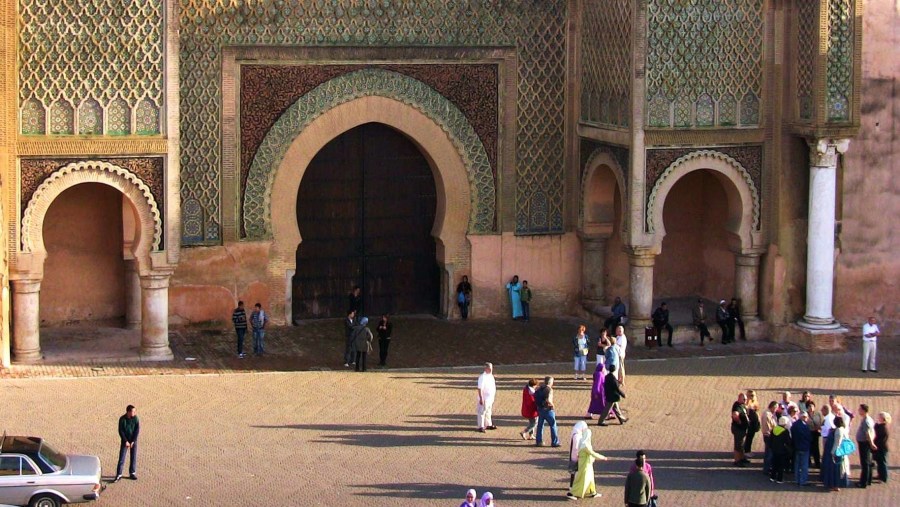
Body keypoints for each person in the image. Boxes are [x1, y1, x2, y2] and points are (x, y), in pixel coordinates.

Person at [567, 427, 606, 500]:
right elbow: (592, 453)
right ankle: (572, 493)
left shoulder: (582, 443)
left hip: (587, 464)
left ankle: (592, 492)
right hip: (585, 465)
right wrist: (603, 457)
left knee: (590, 478)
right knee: (582, 479)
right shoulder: (586, 445)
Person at [115, 404, 140, 482]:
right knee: (122, 458)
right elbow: (121, 431)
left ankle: (132, 473)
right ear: (128, 412)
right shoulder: (122, 419)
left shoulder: (136, 418)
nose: (134, 413)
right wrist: (125, 441)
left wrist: (133, 441)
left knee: (133, 457)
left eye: (135, 411)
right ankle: (119, 474)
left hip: (133, 441)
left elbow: (137, 430)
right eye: (133, 411)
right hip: (125, 441)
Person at [826, 416, 852, 491]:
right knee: (841, 468)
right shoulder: (843, 429)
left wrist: (833, 452)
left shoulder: (838, 430)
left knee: (836, 470)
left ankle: (836, 485)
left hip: (837, 453)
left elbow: (837, 443)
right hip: (842, 452)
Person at [534, 376, 560, 447]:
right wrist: (552, 405)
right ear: (550, 382)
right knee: (553, 425)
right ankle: (555, 442)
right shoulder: (549, 389)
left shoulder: (539, 388)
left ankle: (539, 441)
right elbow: (549, 400)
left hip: (540, 409)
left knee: (540, 425)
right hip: (547, 410)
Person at [856, 403, 876, 488]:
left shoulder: (866, 421)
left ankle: (863, 482)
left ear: (864, 411)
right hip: (865, 443)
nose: (858, 411)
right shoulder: (868, 419)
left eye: (860, 409)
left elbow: (868, 433)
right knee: (868, 461)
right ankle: (868, 480)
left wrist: (871, 444)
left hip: (864, 443)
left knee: (865, 463)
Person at [769, 416, 793, 483]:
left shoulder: (774, 429)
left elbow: (770, 440)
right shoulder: (785, 431)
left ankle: (772, 477)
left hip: (774, 450)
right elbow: (788, 441)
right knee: (781, 465)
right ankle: (779, 479)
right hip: (782, 451)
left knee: (774, 464)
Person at [567, 421, 588, 490]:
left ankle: (571, 486)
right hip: (576, 456)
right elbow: (576, 447)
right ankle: (574, 487)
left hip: (572, 455)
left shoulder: (574, 433)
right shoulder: (577, 436)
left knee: (573, 472)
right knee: (576, 472)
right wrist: (578, 454)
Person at [792, 411, 812, 485]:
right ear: (803, 417)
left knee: (797, 464)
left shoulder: (794, 425)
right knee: (804, 465)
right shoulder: (805, 427)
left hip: (797, 447)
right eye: (806, 417)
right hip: (804, 448)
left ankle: (797, 480)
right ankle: (802, 481)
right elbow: (809, 437)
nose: (807, 419)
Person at [476, 362, 497, 433]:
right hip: (484, 398)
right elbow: (480, 388)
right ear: (485, 368)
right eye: (489, 368)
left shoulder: (491, 376)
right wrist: (481, 398)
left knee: (488, 411)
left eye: (491, 368)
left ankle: (488, 424)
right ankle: (480, 426)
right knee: (482, 412)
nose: (491, 370)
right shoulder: (482, 377)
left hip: (490, 398)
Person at [731, 392, 750, 467]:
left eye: (745, 399)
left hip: (742, 428)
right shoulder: (737, 406)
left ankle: (742, 458)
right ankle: (737, 460)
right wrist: (739, 422)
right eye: (744, 399)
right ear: (739, 398)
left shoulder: (742, 405)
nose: (745, 400)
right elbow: (735, 415)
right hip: (738, 428)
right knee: (738, 445)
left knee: (741, 444)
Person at [761, 400, 778, 474]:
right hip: (769, 436)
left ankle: (768, 467)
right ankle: (766, 469)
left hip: (770, 435)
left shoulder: (771, 413)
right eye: (776, 408)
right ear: (773, 407)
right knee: (769, 453)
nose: (776, 409)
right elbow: (768, 427)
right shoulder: (767, 414)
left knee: (769, 452)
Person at [873, 412, 890, 483]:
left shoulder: (883, 428)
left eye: (879, 417)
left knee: (882, 463)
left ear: (883, 419)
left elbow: (880, 439)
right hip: (880, 447)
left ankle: (884, 478)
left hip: (882, 448)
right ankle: (880, 475)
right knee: (879, 462)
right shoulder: (881, 426)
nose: (878, 418)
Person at [744, 389, 761, 458]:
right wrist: (748, 401)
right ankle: (747, 450)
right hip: (750, 422)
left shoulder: (755, 401)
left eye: (753, 395)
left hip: (755, 421)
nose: (752, 396)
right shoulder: (747, 402)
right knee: (749, 436)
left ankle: (748, 449)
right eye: (751, 395)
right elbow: (746, 411)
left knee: (751, 436)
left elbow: (757, 410)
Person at [807, 400, 823, 469]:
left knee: (816, 448)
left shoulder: (818, 414)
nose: (811, 407)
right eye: (809, 406)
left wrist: (819, 428)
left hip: (816, 432)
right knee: (808, 447)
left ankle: (817, 463)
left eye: (812, 406)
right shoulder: (805, 414)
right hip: (808, 432)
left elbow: (822, 422)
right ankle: (809, 462)